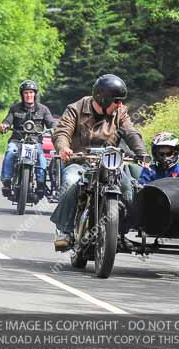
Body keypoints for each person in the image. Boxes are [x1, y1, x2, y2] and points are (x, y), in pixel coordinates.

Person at [50, 74, 148, 250]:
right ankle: (64, 230)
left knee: (127, 187)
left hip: (110, 165)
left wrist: (142, 154)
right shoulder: (76, 109)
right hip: (80, 162)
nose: (120, 104)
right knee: (71, 182)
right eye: (117, 101)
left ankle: (119, 232)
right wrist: (63, 148)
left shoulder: (120, 112)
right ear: (103, 99)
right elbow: (62, 131)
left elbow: (131, 132)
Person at [0, 80, 54, 198]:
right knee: (10, 152)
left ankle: (40, 183)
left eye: (31, 92)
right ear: (22, 94)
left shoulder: (43, 109)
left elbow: (51, 123)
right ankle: (6, 182)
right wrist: (5, 125)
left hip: (35, 141)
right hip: (17, 140)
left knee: (41, 156)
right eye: (26, 93)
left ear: (35, 94)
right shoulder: (15, 108)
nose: (29, 95)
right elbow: (8, 120)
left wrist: (55, 129)